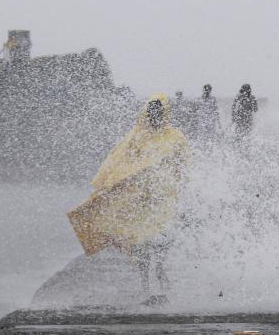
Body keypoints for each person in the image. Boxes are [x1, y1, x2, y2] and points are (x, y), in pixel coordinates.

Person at [67, 94, 190, 302]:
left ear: (165, 114)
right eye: (151, 113)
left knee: (161, 238)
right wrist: (111, 187)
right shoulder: (136, 137)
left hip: (162, 197)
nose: (154, 117)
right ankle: (145, 284)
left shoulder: (174, 137)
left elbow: (183, 164)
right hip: (138, 199)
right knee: (139, 241)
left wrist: (177, 185)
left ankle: (158, 269)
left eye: (158, 113)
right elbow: (118, 163)